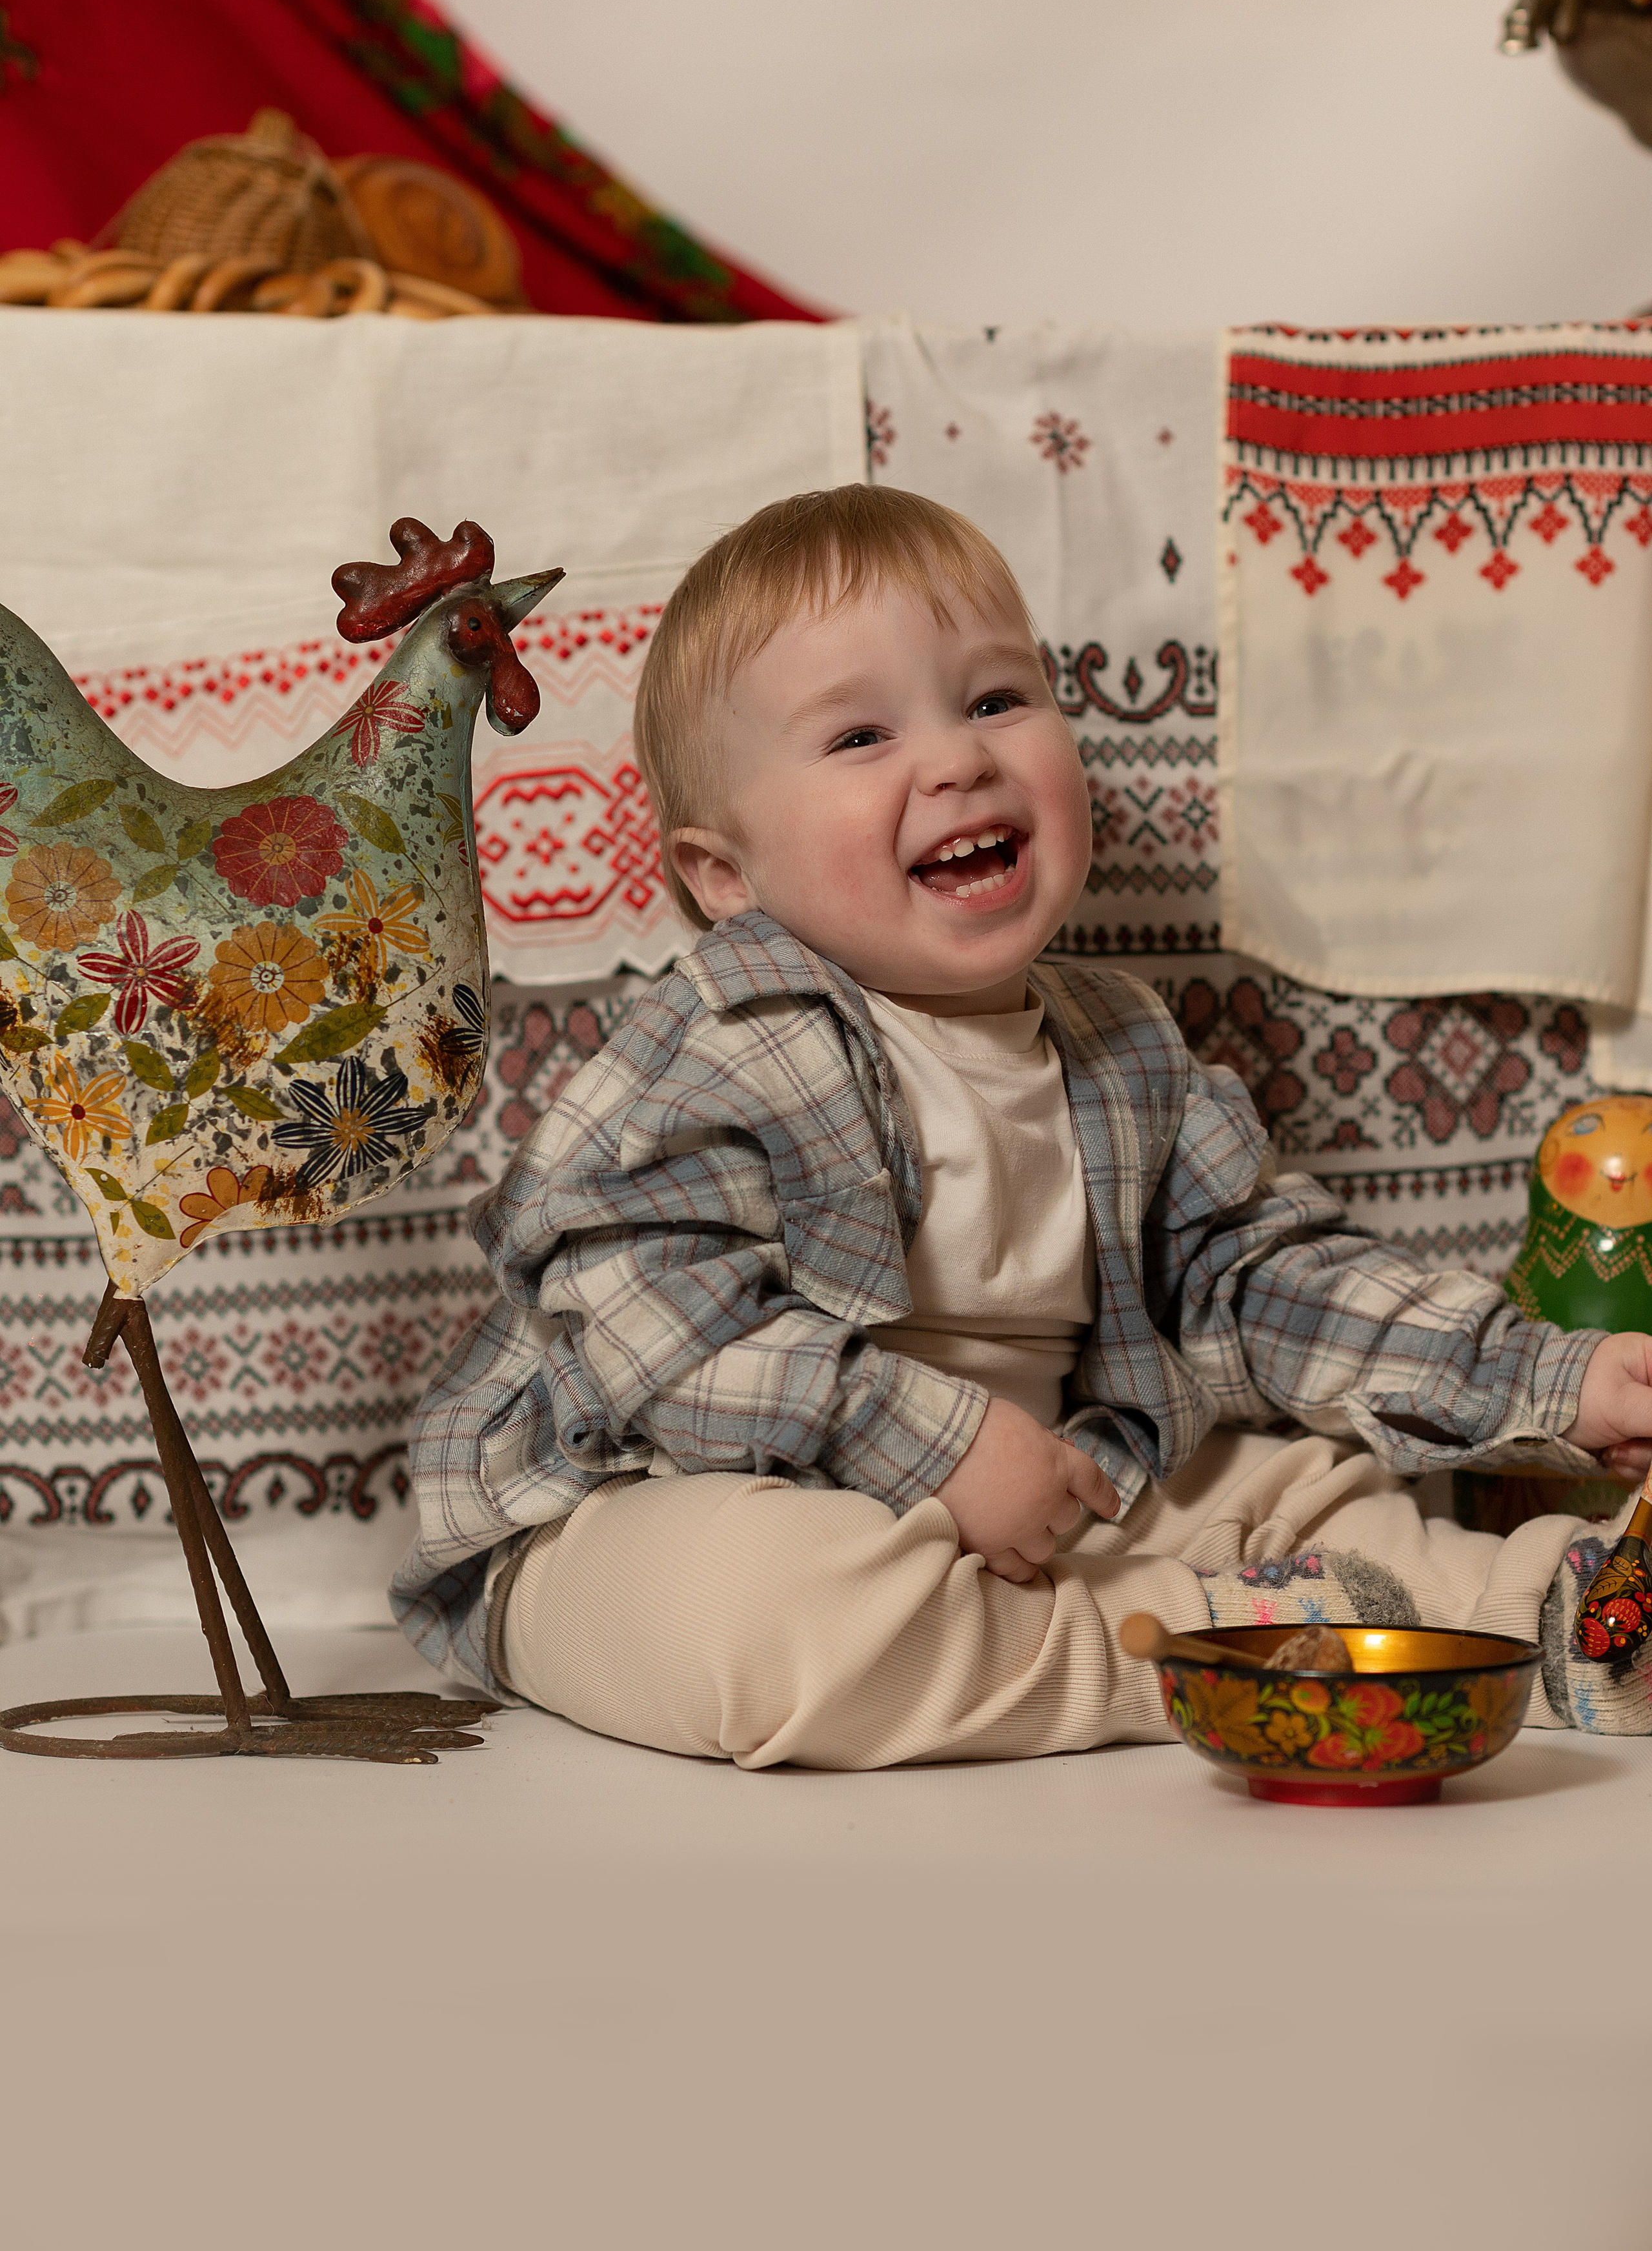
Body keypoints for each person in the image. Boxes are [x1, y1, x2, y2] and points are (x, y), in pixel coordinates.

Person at [391, 484, 1652, 1765]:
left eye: (995, 700)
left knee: (1301, 1481)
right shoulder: (727, 1034)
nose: (955, 759)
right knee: (756, 1618)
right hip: (656, 1493)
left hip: (1035, 1492)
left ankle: (1552, 1613)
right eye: (859, 737)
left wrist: (1544, 1377)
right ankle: (1195, 1638)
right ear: (728, 877)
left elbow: (1263, 1280)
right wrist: (927, 1441)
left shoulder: (1120, 1046)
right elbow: (648, 1327)